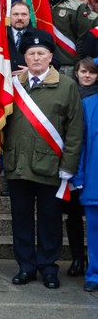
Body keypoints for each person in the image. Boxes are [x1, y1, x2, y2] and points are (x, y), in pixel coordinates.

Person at [5, 29, 82, 288]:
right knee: (21, 220)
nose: (36, 58)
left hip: (51, 167)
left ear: (50, 56)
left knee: (50, 221)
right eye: (31, 53)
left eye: (41, 53)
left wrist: (69, 166)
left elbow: (74, 130)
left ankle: (48, 268)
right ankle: (26, 267)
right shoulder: (11, 85)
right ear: (24, 57)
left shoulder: (67, 86)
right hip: (18, 165)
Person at [66, 56, 98, 277]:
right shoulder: (69, 93)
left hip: (91, 167)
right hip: (74, 165)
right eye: (83, 71)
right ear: (76, 73)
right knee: (74, 215)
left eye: (92, 72)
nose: (87, 76)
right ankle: (79, 259)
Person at [72, 81, 98, 291]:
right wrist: (78, 176)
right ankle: (94, 273)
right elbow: (80, 144)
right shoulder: (88, 105)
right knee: (94, 230)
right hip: (93, 179)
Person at [46, 0, 94, 75]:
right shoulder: (41, 2)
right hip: (44, 62)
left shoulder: (76, 5)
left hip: (67, 63)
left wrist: (78, 61)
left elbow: (82, 36)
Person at [7, 1, 32, 73]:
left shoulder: (41, 36)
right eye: (15, 14)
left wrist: (32, 71)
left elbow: (54, 62)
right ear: (9, 16)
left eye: (24, 14)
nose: (20, 18)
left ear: (29, 16)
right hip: (3, 81)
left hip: (30, 82)